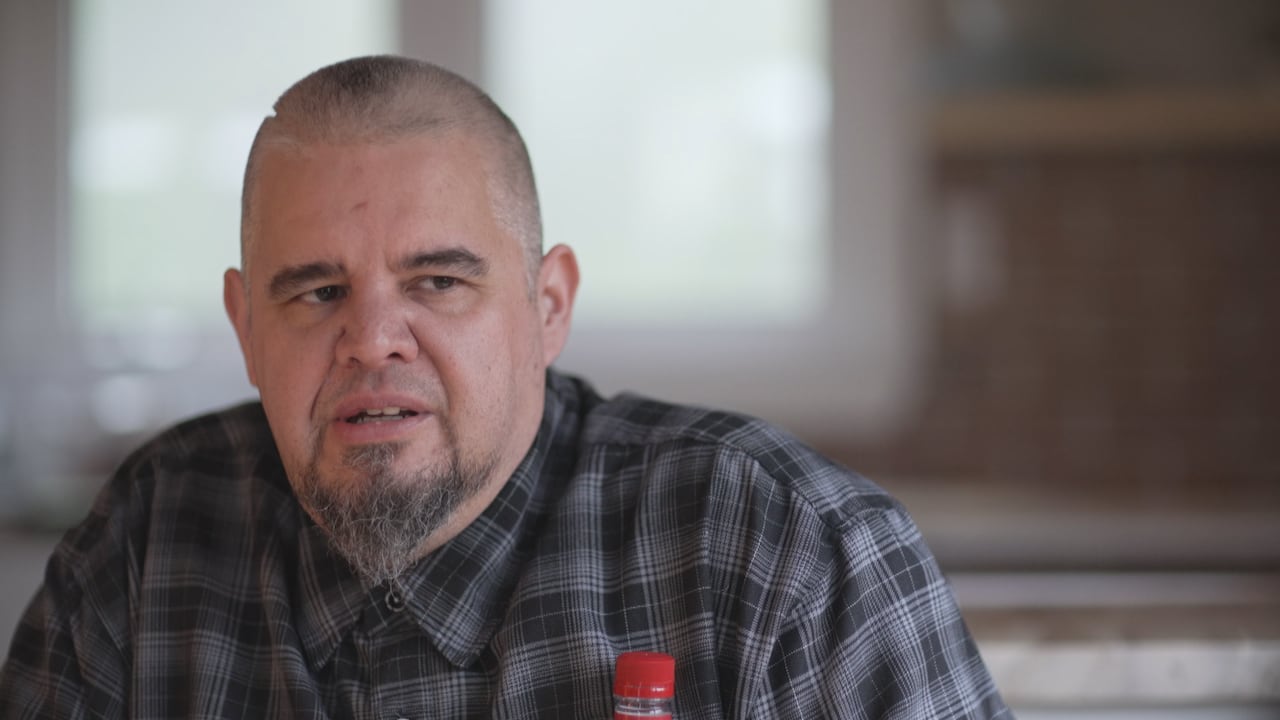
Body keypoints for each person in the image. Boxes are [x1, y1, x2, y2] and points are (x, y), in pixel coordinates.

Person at [0, 55, 1009, 718]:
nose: (372, 340)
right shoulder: (144, 546)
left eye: (437, 281)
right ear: (246, 328)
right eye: (314, 292)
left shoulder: (784, 551)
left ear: (547, 305)